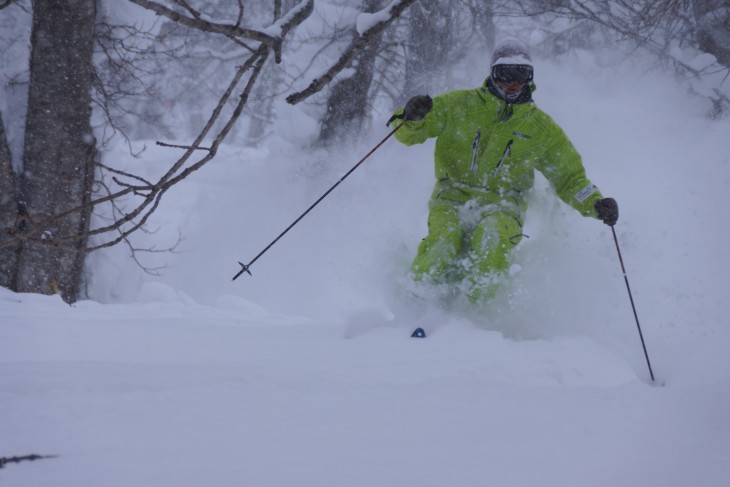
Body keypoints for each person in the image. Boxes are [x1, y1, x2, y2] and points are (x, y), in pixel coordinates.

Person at [388, 38, 618, 305]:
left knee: (492, 239)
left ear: (530, 77)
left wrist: (595, 202)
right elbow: (405, 135)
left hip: (504, 205)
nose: (512, 82)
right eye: (504, 74)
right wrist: (411, 116)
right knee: (443, 242)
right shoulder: (457, 105)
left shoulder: (540, 128)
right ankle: (414, 303)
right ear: (492, 73)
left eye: (521, 75)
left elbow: (570, 177)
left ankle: (477, 313)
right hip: (451, 199)